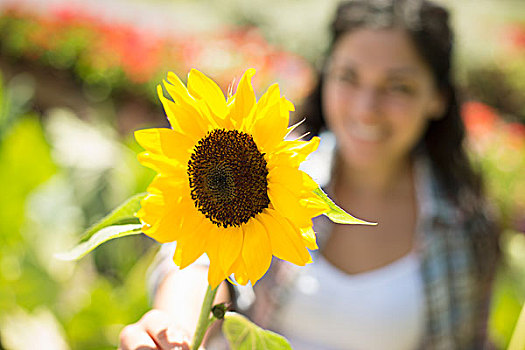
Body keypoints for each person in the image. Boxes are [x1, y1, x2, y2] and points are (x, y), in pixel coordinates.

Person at [118, 0, 500, 349]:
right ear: (326, 76)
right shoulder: (275, 168)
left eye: (397, 86)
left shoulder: (464, 226)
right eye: (348, 77)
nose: (367, 108)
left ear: (437, 98)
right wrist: (174, 330)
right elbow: (199, 264)